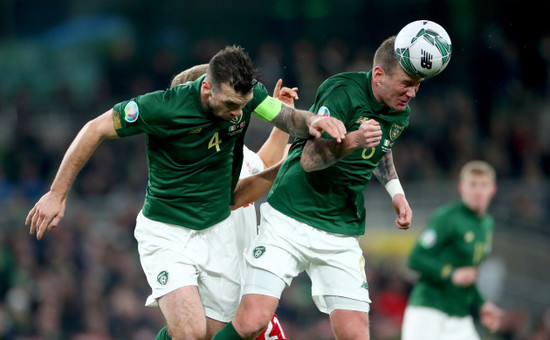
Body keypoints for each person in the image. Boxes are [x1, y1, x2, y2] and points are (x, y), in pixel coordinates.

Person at [25, 45, 347, 340]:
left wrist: (315, 123)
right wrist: (57, 193)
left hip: (216, 232)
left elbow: (288, 120)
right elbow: (95, 128)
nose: (238, 114)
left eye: (243, 106)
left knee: (226, 332)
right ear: (206, 87)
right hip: (168, 233)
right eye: (231, 105)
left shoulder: (247, 102)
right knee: (191, 332)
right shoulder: (163, 108)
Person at [214, 35, 417, 340]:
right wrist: (353, 140)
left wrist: (396, 193)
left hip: (340, 228)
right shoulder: (342, 91)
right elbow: (310, 159)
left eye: (417, 85)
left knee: (356, 334)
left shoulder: (400, 112)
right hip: (291, 215)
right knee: (252, 321)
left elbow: (381, 146)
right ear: (379, 75)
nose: (412, 92)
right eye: (406, 83)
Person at [170, 64, 292, 340]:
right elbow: (236, 195)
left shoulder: (229, 147)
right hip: (212, 288)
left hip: (241, 286)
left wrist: (282, 121)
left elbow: (262, 165)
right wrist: (288, 166)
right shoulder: (191, 158)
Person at [401, 160, 504, 340]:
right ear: (461, 187)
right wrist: (451, 273)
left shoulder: (487, 224)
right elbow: (415, 259)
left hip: (459, 316)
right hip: (428, 310)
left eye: (484, 185)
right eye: (472, 184)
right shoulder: (447, 217)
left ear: (492, 190)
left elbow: (469, 275)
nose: (478, 191)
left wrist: (482, 304)